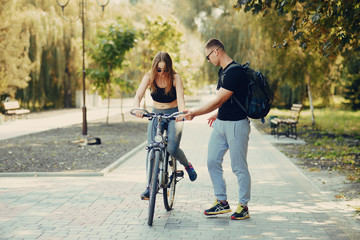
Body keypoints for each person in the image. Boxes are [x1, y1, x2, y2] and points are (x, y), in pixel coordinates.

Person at [184, 38, 251, 220]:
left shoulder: (234, 72)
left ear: (216, 52)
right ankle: (222, 202)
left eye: (208, 57)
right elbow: (224, 100)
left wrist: (195, 113)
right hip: (221, 124)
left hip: (237, 125)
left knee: (238, 167)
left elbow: (218, 100)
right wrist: (217, 114)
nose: (208, 61)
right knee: (212, 161)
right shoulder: (223, 72)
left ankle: (243, 205)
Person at [133, 51, 197, 200]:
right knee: (152, 149)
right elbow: (138, 95)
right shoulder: (149, 77)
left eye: (165, 70)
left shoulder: (175, 78)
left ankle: (187, 165)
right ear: (155, 68)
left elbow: (180, 99)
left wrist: (181, 113)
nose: (161, 73)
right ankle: (150, 187)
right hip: (156, 114)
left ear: (169, 68)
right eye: (159, 70)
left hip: (174, 114)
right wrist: (137, 108)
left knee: (172, 148)